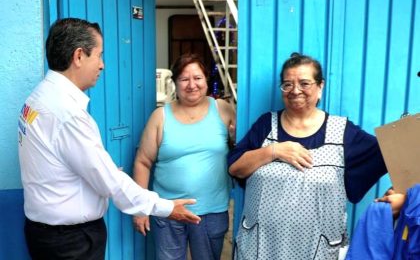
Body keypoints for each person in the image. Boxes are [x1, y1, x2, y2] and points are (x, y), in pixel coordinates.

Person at [17, 18, 200, 260]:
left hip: (46, 234)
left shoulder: (39, 97)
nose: (102, 65)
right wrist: (166, 208)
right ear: (79, 56)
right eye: (99, 55)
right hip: (71, 243)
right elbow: (110, 183)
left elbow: (59, 162)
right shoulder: (67, 114)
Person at [228, 53, 388, 259]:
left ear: (320, 86)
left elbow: (389, 155)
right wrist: (274, 151)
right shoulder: (266, 125)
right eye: (287, 84)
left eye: (304, 83)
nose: (295, 91)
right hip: (261, 247)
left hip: (317, 249)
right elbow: (235, 167)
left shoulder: (342, 132)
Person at [132, 53, 236, 260]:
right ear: (175, 83)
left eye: (197, 78)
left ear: (206, 80)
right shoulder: (160, 116)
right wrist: (140, 209)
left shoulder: (223, 109)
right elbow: (143, 162)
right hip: (167, 210)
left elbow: (241, 151)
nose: (191, 85)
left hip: (211, 211)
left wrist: (234, 139)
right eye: (184, 79)